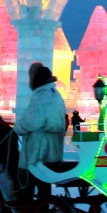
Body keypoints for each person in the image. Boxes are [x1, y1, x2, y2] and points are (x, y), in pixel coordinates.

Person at [15, 62, 67, 199]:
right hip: (53, 148)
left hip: (38, 149)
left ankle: (26, 209)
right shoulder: (55, 94)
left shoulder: (42, 97)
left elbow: (31, 122)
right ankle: (42, 208)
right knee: (44, 184)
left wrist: (17, 127)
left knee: (25, 178)